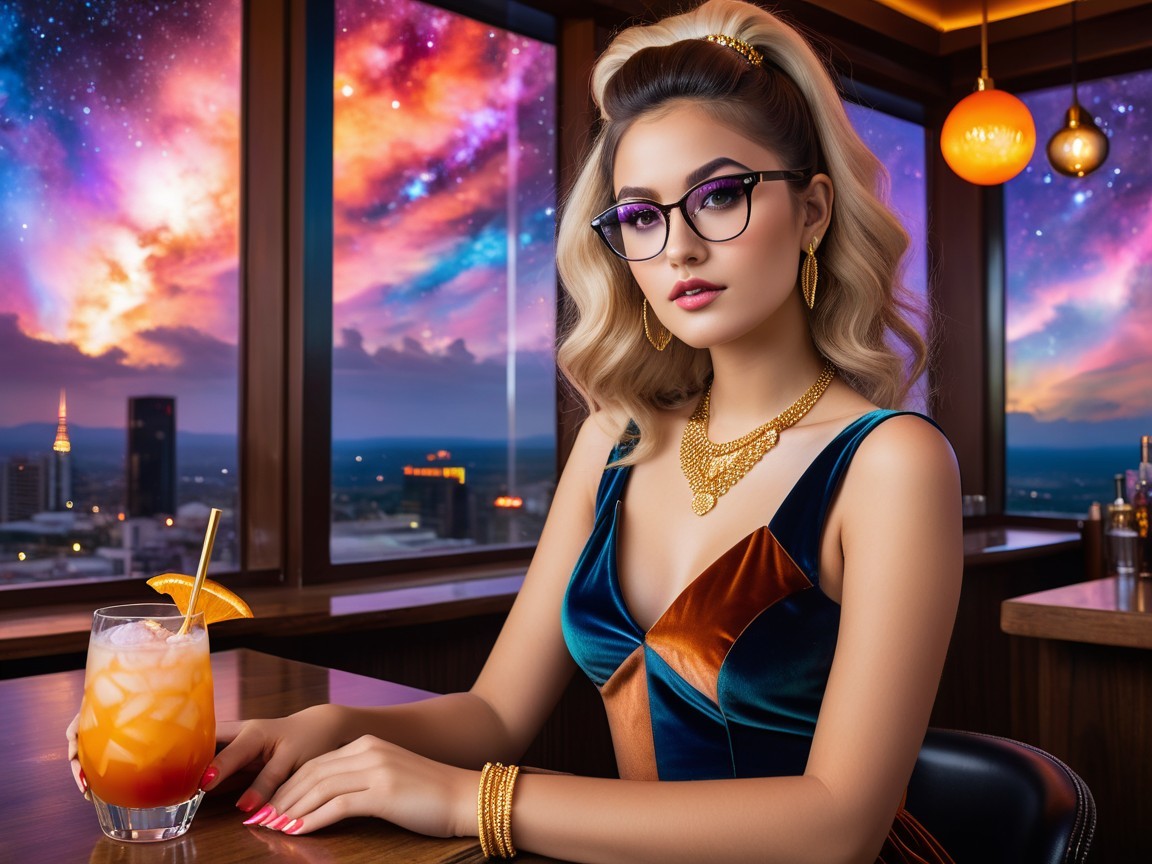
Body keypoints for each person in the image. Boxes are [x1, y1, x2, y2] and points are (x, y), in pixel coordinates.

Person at [70, 1, 962, 861]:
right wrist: (316, 729)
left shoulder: (893, 463)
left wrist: (473, 800)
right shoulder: (617, 441)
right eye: (642, 216)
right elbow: (494, 714)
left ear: (812, 211)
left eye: (719, 196)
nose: (679, 248)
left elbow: (837, 827)